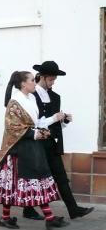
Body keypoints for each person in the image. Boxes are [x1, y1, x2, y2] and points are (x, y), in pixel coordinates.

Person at [0, 71, 68, 230]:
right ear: (23, 84)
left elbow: (37, 121)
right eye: (32, 80)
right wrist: (35, 133)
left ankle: (46, 218)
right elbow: (12, 127)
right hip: (17, 150)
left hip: (31, 147)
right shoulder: (15, 102)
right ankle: (45, 218)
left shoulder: (31, 98)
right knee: (15, 185)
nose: (35, 82)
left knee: (36, 181)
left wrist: (55, 118)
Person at [23, 61, 94, 221]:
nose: (53, 82)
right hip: (37, 141)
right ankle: (28, 210)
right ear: (42, 77)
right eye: (51, 79)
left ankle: (73, 210)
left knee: (60, 176)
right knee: (36, 177)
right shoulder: (31, 96)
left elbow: (55, 123)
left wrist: (64, 120)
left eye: (54, 79)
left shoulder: (55, 96)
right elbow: (34, 122)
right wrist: (55, 117)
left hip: (51, 142)